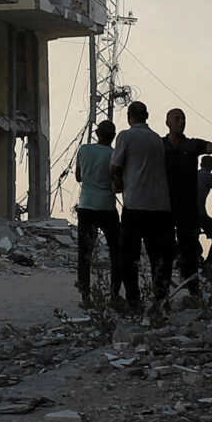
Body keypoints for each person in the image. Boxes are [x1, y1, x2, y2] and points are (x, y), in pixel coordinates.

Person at [110, 100, 177, 307]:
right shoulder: (157, 139)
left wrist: (118, 182)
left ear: (130, 117)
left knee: (129, 256)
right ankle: (160, 296)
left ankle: (133, 298)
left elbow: (114, 166)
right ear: (146, 116)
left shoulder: (125, 136)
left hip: (136, 204)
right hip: (160, 205)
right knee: (158, 255)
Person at [163, 101, 212, 290]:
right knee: (165, 252)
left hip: (188, 208)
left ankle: (193, 292)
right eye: (177, 118)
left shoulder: (192, 145)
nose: (181, 122)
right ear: (168, 122)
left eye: (183, 118)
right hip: (165, 206)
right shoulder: (159, 145)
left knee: (190, 251)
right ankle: (163, 293)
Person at [73, 119, 124, 307]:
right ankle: (114, 293)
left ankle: (85, 295)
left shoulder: (84, 150)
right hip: (107, 207)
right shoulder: (114, 155)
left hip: (86, 206)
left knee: (85, 252)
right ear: (113, 137)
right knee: (115, 252)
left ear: (97, 134)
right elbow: (118, 184)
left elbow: (79, 176)